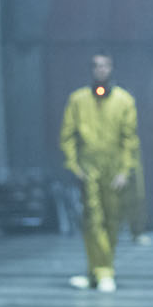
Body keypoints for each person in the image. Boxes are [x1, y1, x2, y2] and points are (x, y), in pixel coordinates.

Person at [60, 52, 140, 292]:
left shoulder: (124, 101)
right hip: (88, 168)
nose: (100, 70)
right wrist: (73, 166)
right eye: (96, 65)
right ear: (91, 69)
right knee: (92, 220)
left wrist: (125, 170)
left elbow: (129, 139)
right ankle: (102, 271)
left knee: (112, 220)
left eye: (105, 65)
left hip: (114, 168)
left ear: (112, 68)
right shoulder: (78, 100)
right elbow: (67, 135)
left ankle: (96, 272)